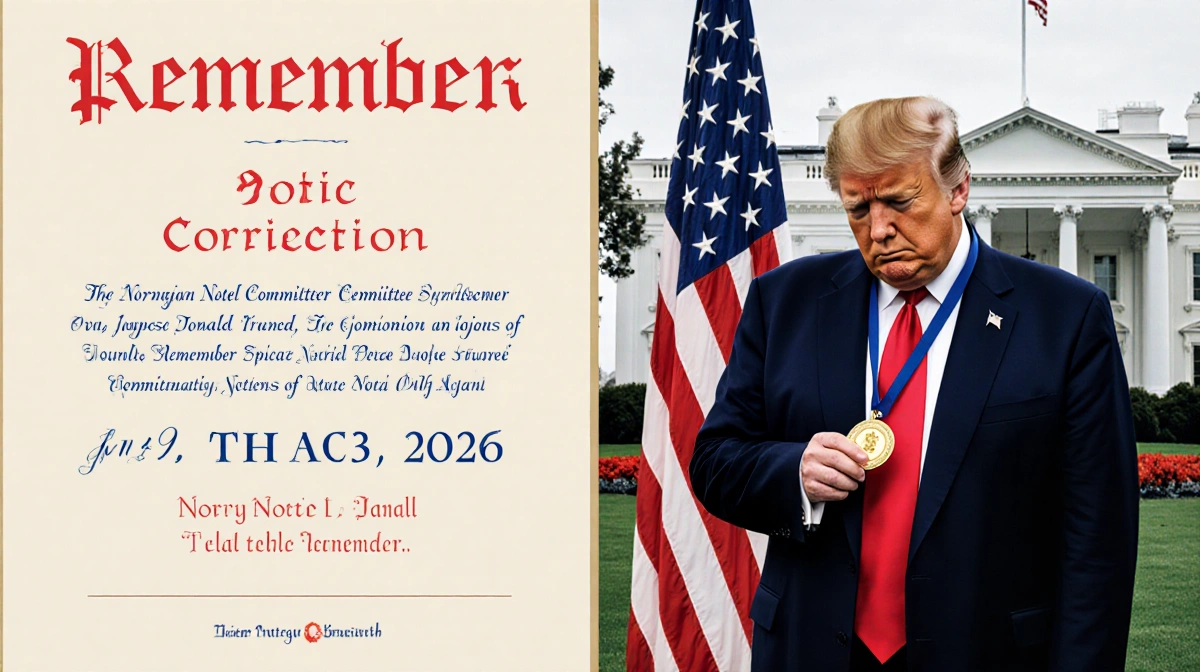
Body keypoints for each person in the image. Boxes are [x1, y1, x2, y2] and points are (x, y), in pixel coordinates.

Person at [690, 96, 1139, 672]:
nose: (878, 230)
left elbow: (1097, 541)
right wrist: (793, 473)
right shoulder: (786, 304)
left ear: (958, 190)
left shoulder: (1065, 317)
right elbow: (715, 459)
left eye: (900, 202)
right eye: (858, 209)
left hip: (987, 653)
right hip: (811, 649)